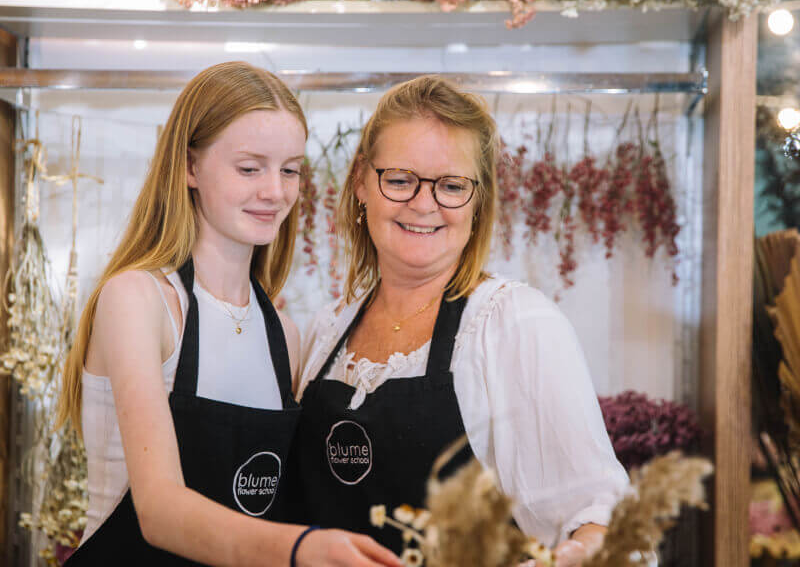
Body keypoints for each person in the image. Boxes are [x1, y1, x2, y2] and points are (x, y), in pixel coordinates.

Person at [56, 62, 401, 567]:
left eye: (289, 170)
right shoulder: (139, 300)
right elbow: (159, 512)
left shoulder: (283, 335)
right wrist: (299, 547)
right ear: (190, 167)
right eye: (249, 168)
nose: (276, 191)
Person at [293, 75, 629, 567]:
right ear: (362, 180)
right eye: (400, 179)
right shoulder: (326, 330)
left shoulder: (513, 324)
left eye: (451, 186)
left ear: (478, 200)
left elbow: (600, 517)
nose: (423, 203)